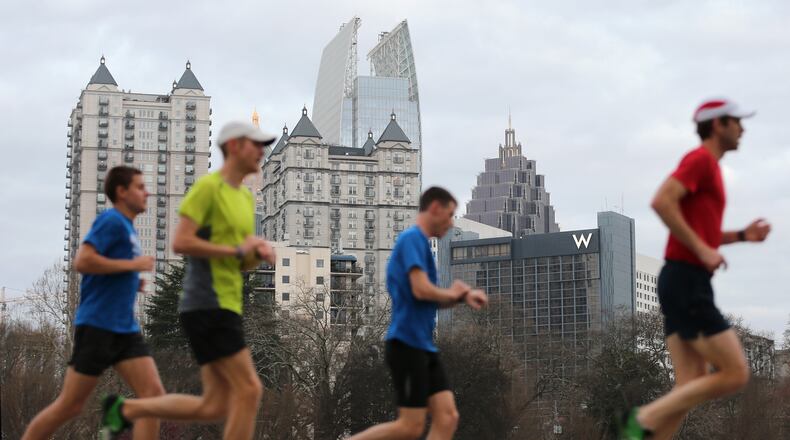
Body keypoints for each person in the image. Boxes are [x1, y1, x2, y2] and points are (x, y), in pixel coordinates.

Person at [100, 121, 277, 440]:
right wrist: (239, 249)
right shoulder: (208, 189)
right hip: (207, 303)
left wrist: (257, 253)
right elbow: (181, 242)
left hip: (228, 303)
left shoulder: (246, 200)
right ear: (234, 146)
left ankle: (127, 411)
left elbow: (237, 260)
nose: (262, 151)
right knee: (250, 389)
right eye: (256, 144)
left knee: (213, 406)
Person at [619, 98, 771, 440]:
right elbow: (661, 200)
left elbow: (704, 233)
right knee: (734, 374)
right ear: (718, 125)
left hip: (681, 279)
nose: (743, 128)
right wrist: (702, 249)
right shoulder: (700, 160)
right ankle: (642, 418)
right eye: (737, 121)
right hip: (687, 280)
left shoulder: (712, 169)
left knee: (687, 388)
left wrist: (743, 235)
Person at [23, 166, 164, 440]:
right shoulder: (111, 220)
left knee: (152, 398)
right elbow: (83, 261)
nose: (147, 192)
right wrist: (133, 264)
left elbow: (110, 270)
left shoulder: (128, 228)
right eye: (139, 187)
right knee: (70, 406)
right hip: (98, 325)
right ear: (122, 192)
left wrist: (132, 280)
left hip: (125, 328)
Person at [349, 186, 489, 440]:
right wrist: (454, 293)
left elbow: (429, 299)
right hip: (406, 344)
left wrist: (461, 297)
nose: (450, 223)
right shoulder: (411, 239)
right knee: (409, 427)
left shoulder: (422, 246)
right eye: (449, 215)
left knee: (447, 418)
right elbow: (421, 289)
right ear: (434, 208)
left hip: (424, 346)